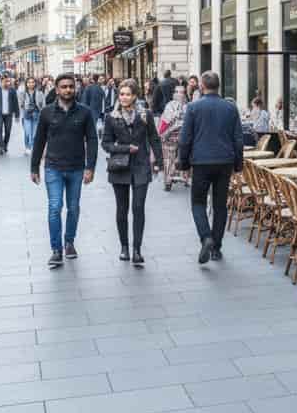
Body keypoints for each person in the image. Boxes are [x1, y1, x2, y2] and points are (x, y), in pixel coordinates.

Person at [30, 73, 98, 269]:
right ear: (57, 89)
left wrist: (90, 167)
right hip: (53, 168)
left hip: (77, 168)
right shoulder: (47, 113)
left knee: (74, 207)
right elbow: (39, 141)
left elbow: (92, 140)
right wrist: (34, 167)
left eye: (71, 86)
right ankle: (56, 250)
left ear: (75, 88)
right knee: (54, 207)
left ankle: (69, 242)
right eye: (64, 87)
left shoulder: (84, 112)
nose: (68, 90)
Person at [177, 71, 244, 264]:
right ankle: (216, 247)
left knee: (198, 202)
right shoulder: (231, 108)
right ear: (219, 86)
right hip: (224, 162)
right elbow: (238, 139)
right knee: (220, 205)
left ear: (202, 87)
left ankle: (206, 237)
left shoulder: (193, 107)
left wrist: (184, 163)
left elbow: (184, 139)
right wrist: (238, 164)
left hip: (201, 162)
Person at [102, 78, 162, 266]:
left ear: (135, 96)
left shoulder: (145, 114)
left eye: (128, 94)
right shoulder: (111, 117)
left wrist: (159, 161)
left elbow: (154, 138)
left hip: (141, 166)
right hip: (120, 167)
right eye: (121, 94)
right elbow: (106, 144)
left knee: (138, 208)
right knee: (122, 209)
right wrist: (125, 148)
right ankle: (124, 247)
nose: (124, 97)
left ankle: (137, 249)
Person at [160, 85, 190, 191]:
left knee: (180, 158)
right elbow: (165, 122)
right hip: (172, 137)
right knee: (169, 159)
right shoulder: (171, 106)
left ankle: (183, 178)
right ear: (174, 94)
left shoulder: (187, 106)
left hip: (180, 137)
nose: (179, 94)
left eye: (181, 92)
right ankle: (169, 181)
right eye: (177, 92)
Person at [0, 75, 19, 157]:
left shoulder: (12, 91)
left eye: (9, 81)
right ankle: (1, 147)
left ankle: (5, 145)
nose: (8, 83)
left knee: (8, 131)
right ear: (1, 81)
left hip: (9, 114)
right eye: (6, 81)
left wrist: (17, 115)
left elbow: (16, 103)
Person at [20, 77, 43, 156]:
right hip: (26, 115)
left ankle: (32, 147)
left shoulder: (39, 93)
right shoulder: (23, 93)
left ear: (35, 83)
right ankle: (27, 147)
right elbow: (21, 104)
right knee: (27, 132)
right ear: (26, 84)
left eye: (32, 82)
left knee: (35, 133)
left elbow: (43, 104)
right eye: (29, 82)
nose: (31, 84)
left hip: (36, 114)